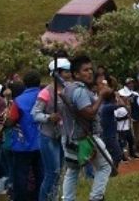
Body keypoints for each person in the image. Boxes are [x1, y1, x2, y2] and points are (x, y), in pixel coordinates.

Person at [57, 56, 114, 201]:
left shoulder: (68, 88)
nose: (90, 73)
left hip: (70, 137)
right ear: (76, 74)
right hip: (85, 138)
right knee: (106, 165)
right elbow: (89, 113)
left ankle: (68, 199)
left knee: (72, 171)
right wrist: (101, 95)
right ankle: (96, 197)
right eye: (85, 70)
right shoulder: (80, 91)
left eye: (90, 69)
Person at [33, 58, 70, 201]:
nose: (68, 74)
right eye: (65, 72)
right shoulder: (46, 92)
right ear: (57, 73)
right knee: (52, 172)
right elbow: (35, 114)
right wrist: (49, 117)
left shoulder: (68, 89)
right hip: (48, 136)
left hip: (63, 135)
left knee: (60, 171)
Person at [6, 71, 43, 201]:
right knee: (41, 176)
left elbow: (11, 120)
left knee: (20, 177)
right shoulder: (45, 97)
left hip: (22, 145)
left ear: (25, 84)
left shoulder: (19, 100)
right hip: (42, 143)